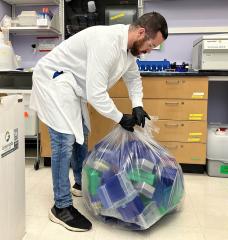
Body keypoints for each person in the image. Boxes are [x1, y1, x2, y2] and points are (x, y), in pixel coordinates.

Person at [30, 11, 168, 232]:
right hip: (53, 79)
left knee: (81, 134)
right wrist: (120, 117)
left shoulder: (129, 51)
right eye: (151, 45)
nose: (149, 51)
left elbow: (133, 78)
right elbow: (96, 94)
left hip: (72, 86)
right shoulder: (107, 43)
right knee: (64, 142)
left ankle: (80, 182)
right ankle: (61, 206)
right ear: (141, 32)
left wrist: (137, 104)